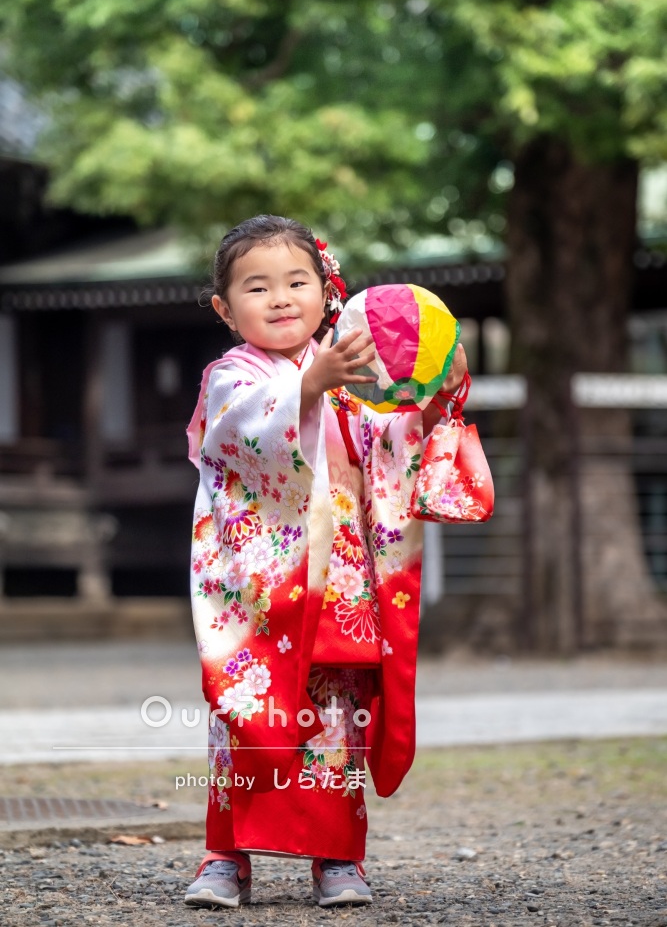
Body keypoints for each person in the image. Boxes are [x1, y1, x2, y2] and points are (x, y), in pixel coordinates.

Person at [184, 215, 466, 909]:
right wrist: (308, 388)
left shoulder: (343, 376)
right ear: (225, 309)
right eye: (257, 287)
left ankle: (338, 860)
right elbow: (239, 432)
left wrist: (432, 400)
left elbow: (385, 446)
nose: (280, 298)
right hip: (261, 591)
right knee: (245, 719)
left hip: (338, 586)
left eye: (296, 282)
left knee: (338, 722)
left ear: (325, 292)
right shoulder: (233, 376)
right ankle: (226, 857)